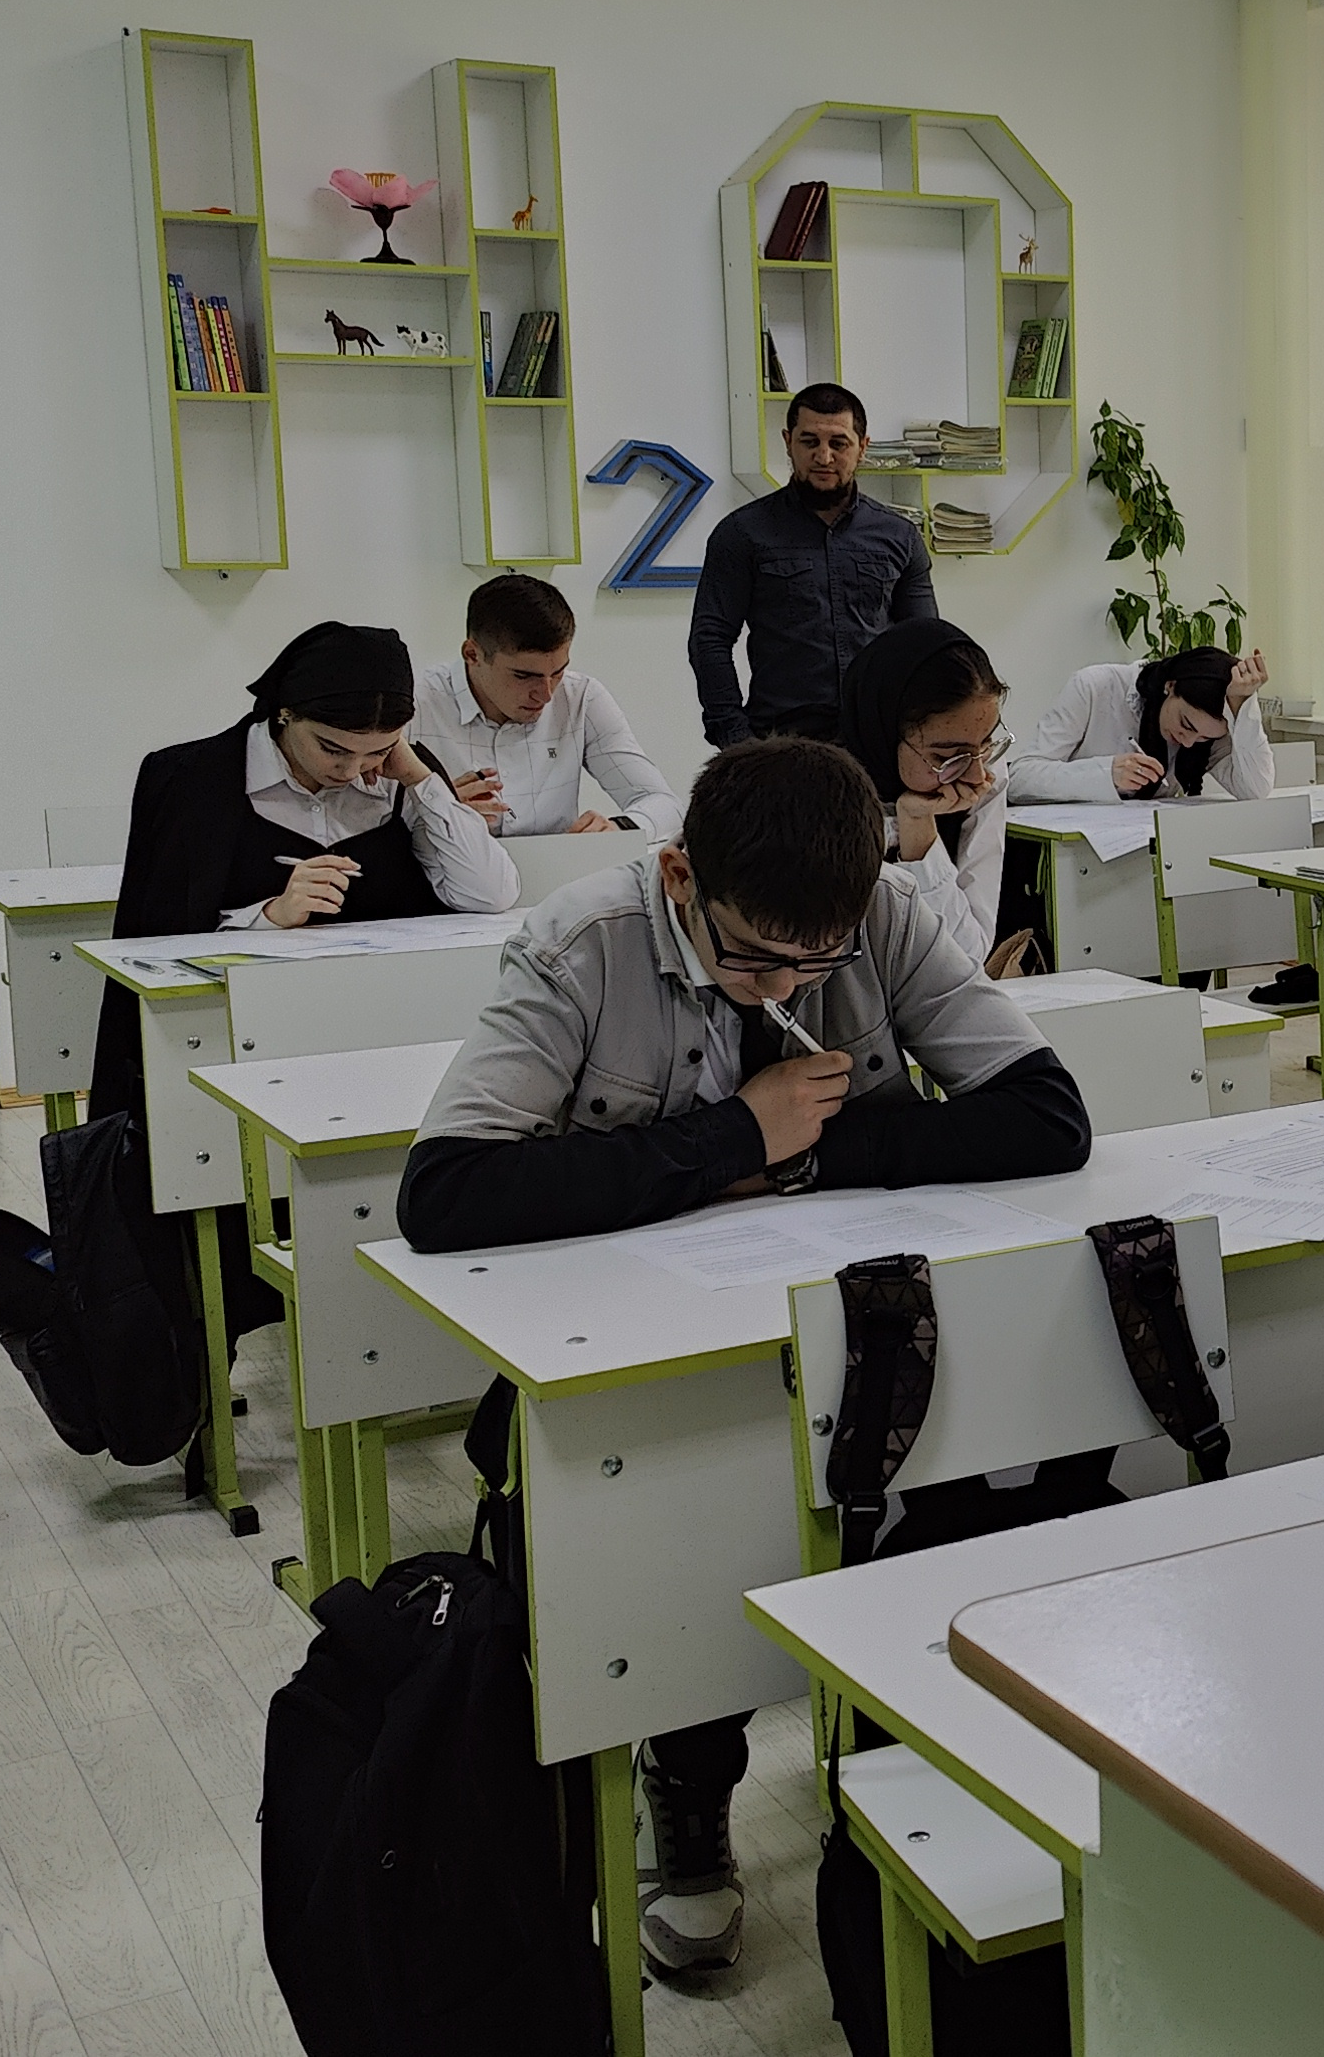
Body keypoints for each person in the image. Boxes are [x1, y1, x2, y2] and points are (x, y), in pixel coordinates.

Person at [399, 738, 1092, 1979]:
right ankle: (687, 1774)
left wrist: (812, 1152)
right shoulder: (581, 944)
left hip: (853, 1324)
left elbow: (1049, 1114)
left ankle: (904, 1774)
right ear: (679, 875)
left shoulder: (879, 913)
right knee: (691, 1530)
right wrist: (730, 1137)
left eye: (817, 961)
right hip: (638, 1348)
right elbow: (445, 1192)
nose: (787, 984)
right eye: (754, 957)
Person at [98, 620, 515, 1338]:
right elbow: (151, 944)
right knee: (222, 1231)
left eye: (376, 751)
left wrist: (417, 778)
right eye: (332, 748)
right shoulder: (190, 778)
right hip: (231, 1054)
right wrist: (268, 917)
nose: (353, 770)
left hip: (378, 1045)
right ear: (282, 713)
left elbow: (489, 895)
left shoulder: (404, 779)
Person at [689, 383, 938, 745]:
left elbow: (925, 645)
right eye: (809, 442)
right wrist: (736, 739)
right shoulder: (742, 534)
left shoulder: (900, 536)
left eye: (839, 443)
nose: (824, 457)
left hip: (878, 740)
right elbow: (709, 639)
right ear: (788, 442)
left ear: (862, 447)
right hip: (780, 742)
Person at [411, 572, 683, 839]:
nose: (546, 694)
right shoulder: (415, 705)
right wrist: (434, 811)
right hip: (443, 867)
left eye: (558, 672)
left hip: (561, 867)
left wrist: (618, 828)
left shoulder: (581, 697)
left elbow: (665, 804)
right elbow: (384, 825)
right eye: (523, 676)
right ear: (473, 654)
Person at [833, 618, 1013, 970]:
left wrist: (918, 828)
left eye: (987, 742)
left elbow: (963, 959)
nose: (977, 775)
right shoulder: (821, 789)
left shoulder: (984, 773)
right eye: (947, 758)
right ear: (884, 736)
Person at [1008, 645, 1276, 802]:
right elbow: (1020, 778)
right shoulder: (1095, 687)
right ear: (1171, 686)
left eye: (1205, 739)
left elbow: (1256, 790)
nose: (1188, 742)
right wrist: (1106, 773)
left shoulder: (1212, 733)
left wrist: (1244, 705)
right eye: (1186, 724)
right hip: (1068, 852)